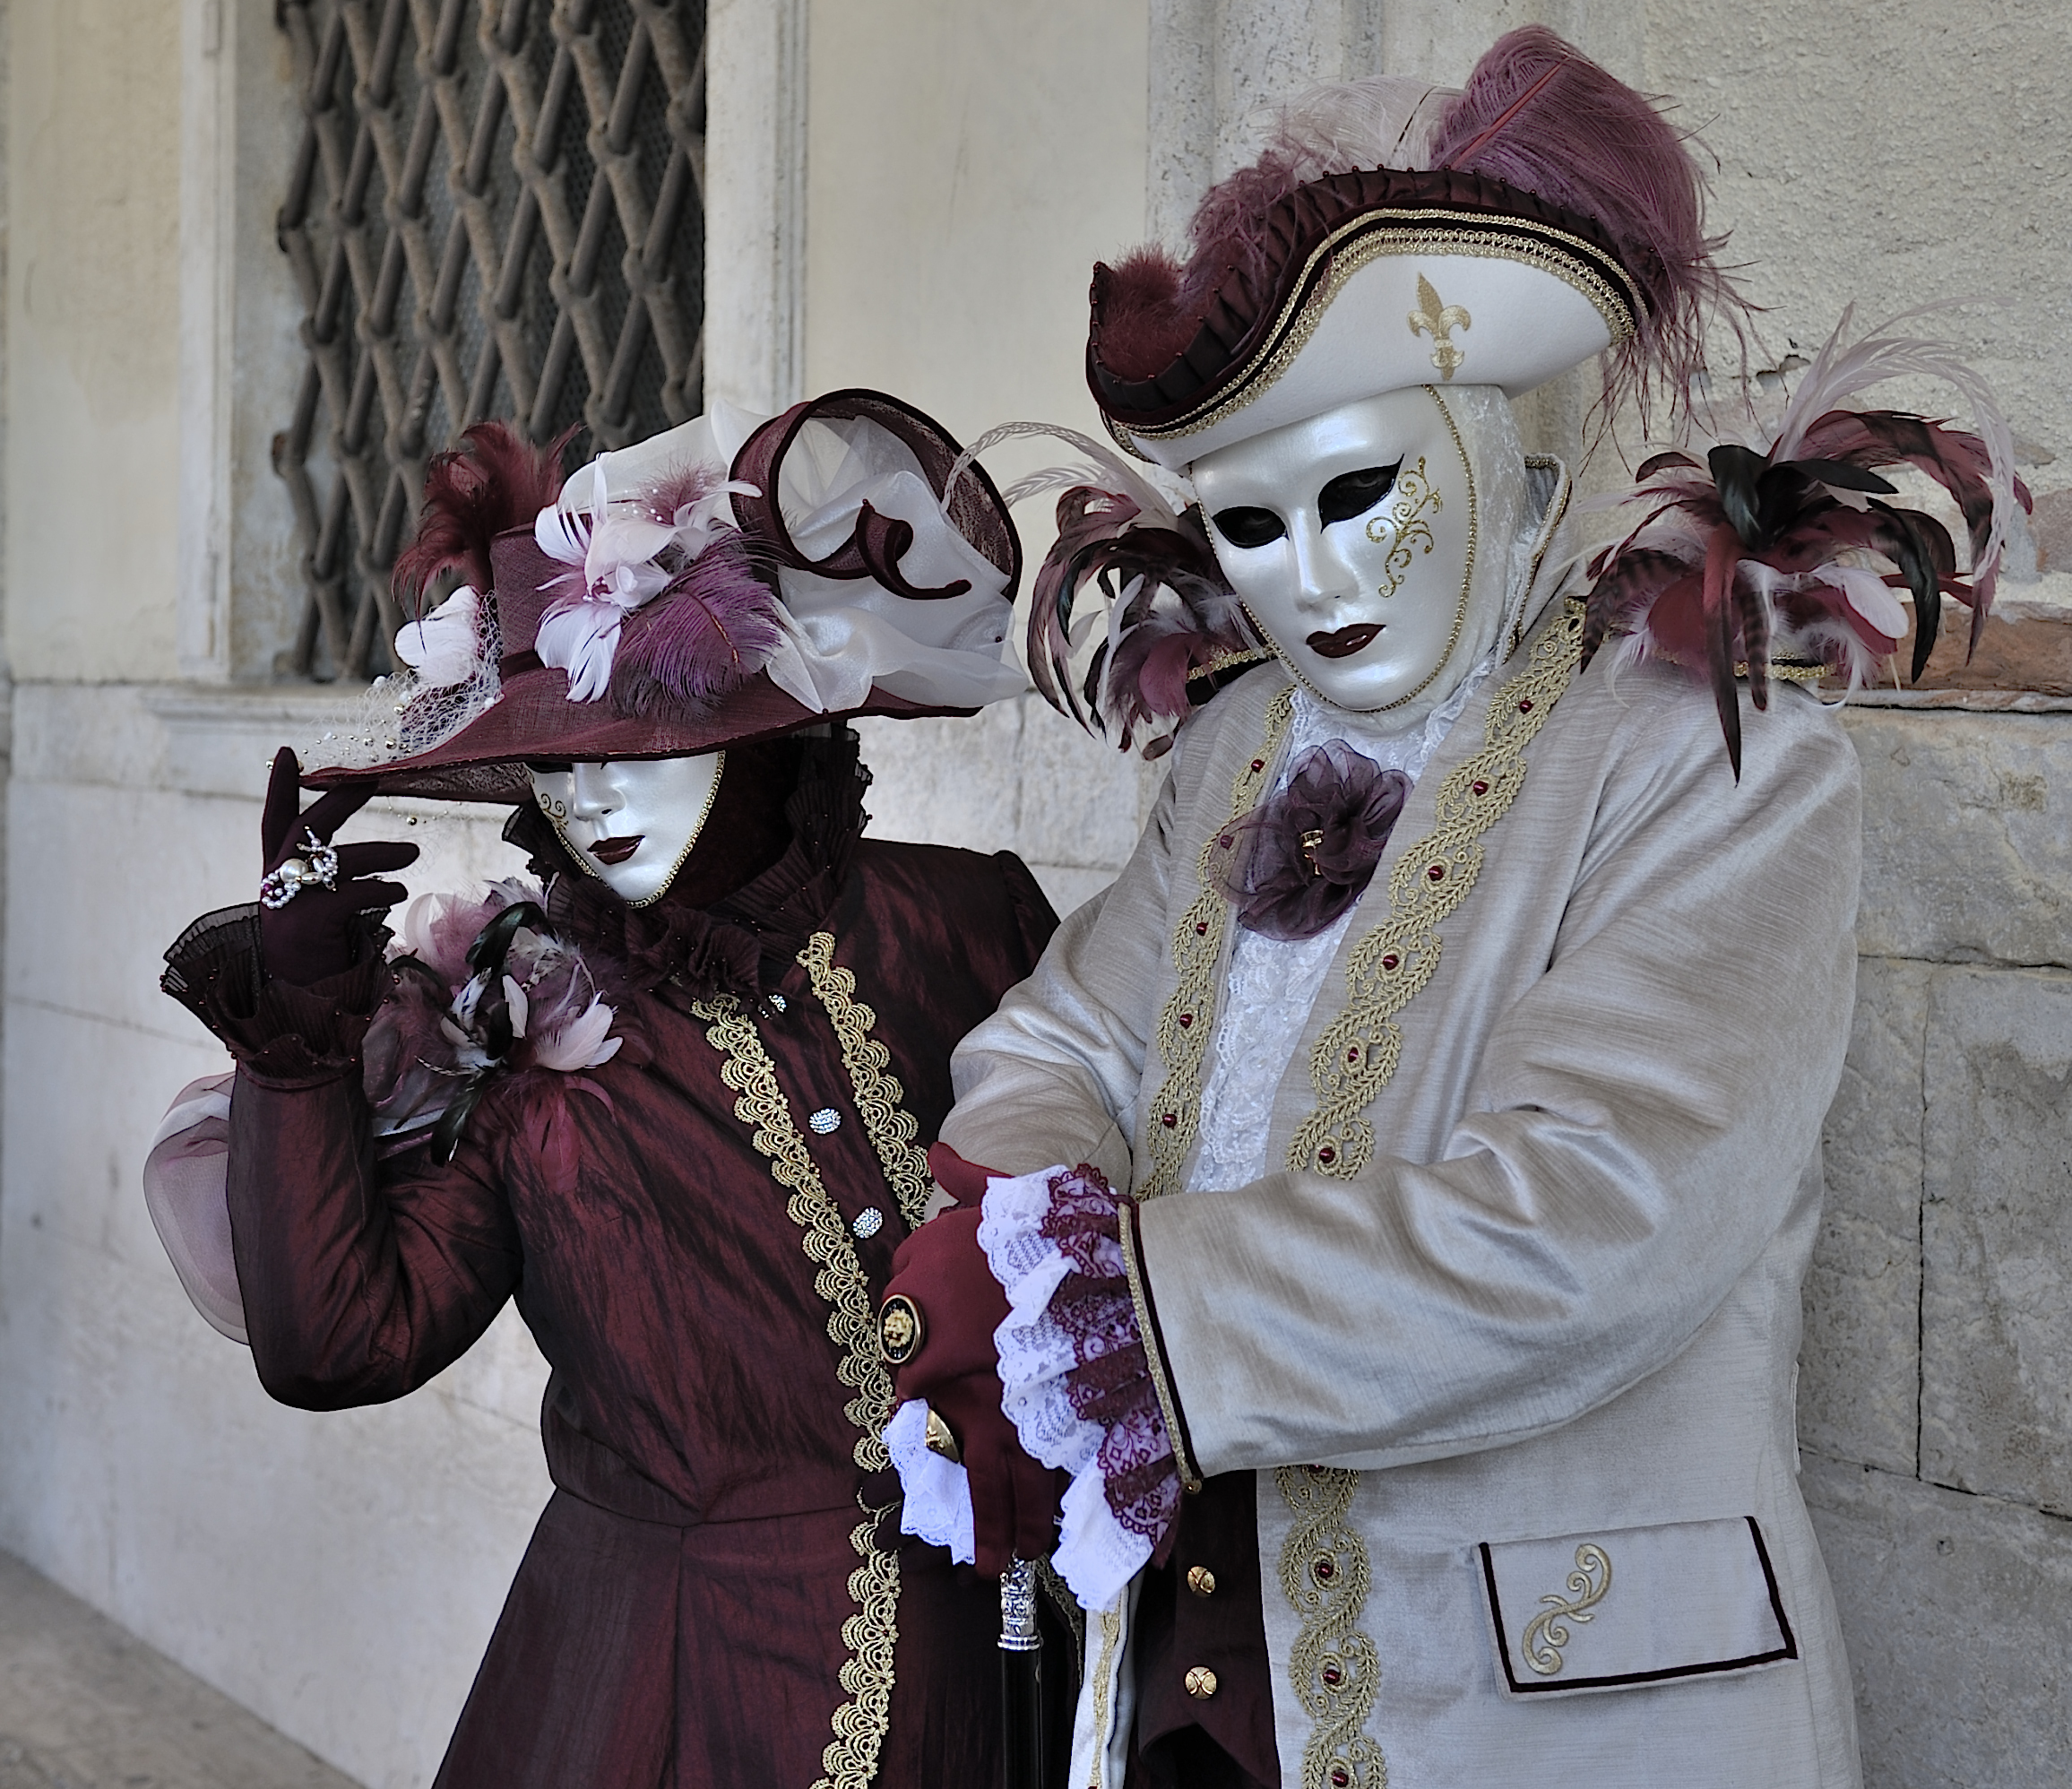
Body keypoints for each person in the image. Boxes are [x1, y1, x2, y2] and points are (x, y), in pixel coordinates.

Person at [876, 29, 2025, 1789]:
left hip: (1547, 1702)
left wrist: (1139, 1318)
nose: (1309, 572)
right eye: (1249, 522)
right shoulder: (1239, 745)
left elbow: (1596, 1212)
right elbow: (1071, 1026)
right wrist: (1019, 1242)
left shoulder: (1709, 756)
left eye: (1358, 492)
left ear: (1505, 452)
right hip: (1198, 1676)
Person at [146, 390, 1062, 1787]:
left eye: (652, 744)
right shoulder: (525, 1028)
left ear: (767, 733)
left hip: (993, 1667)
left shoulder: (964, 924)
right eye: (565, 765)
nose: (600, 802)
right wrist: (305, 1034)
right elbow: (340, 1343)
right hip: (672, 1686)